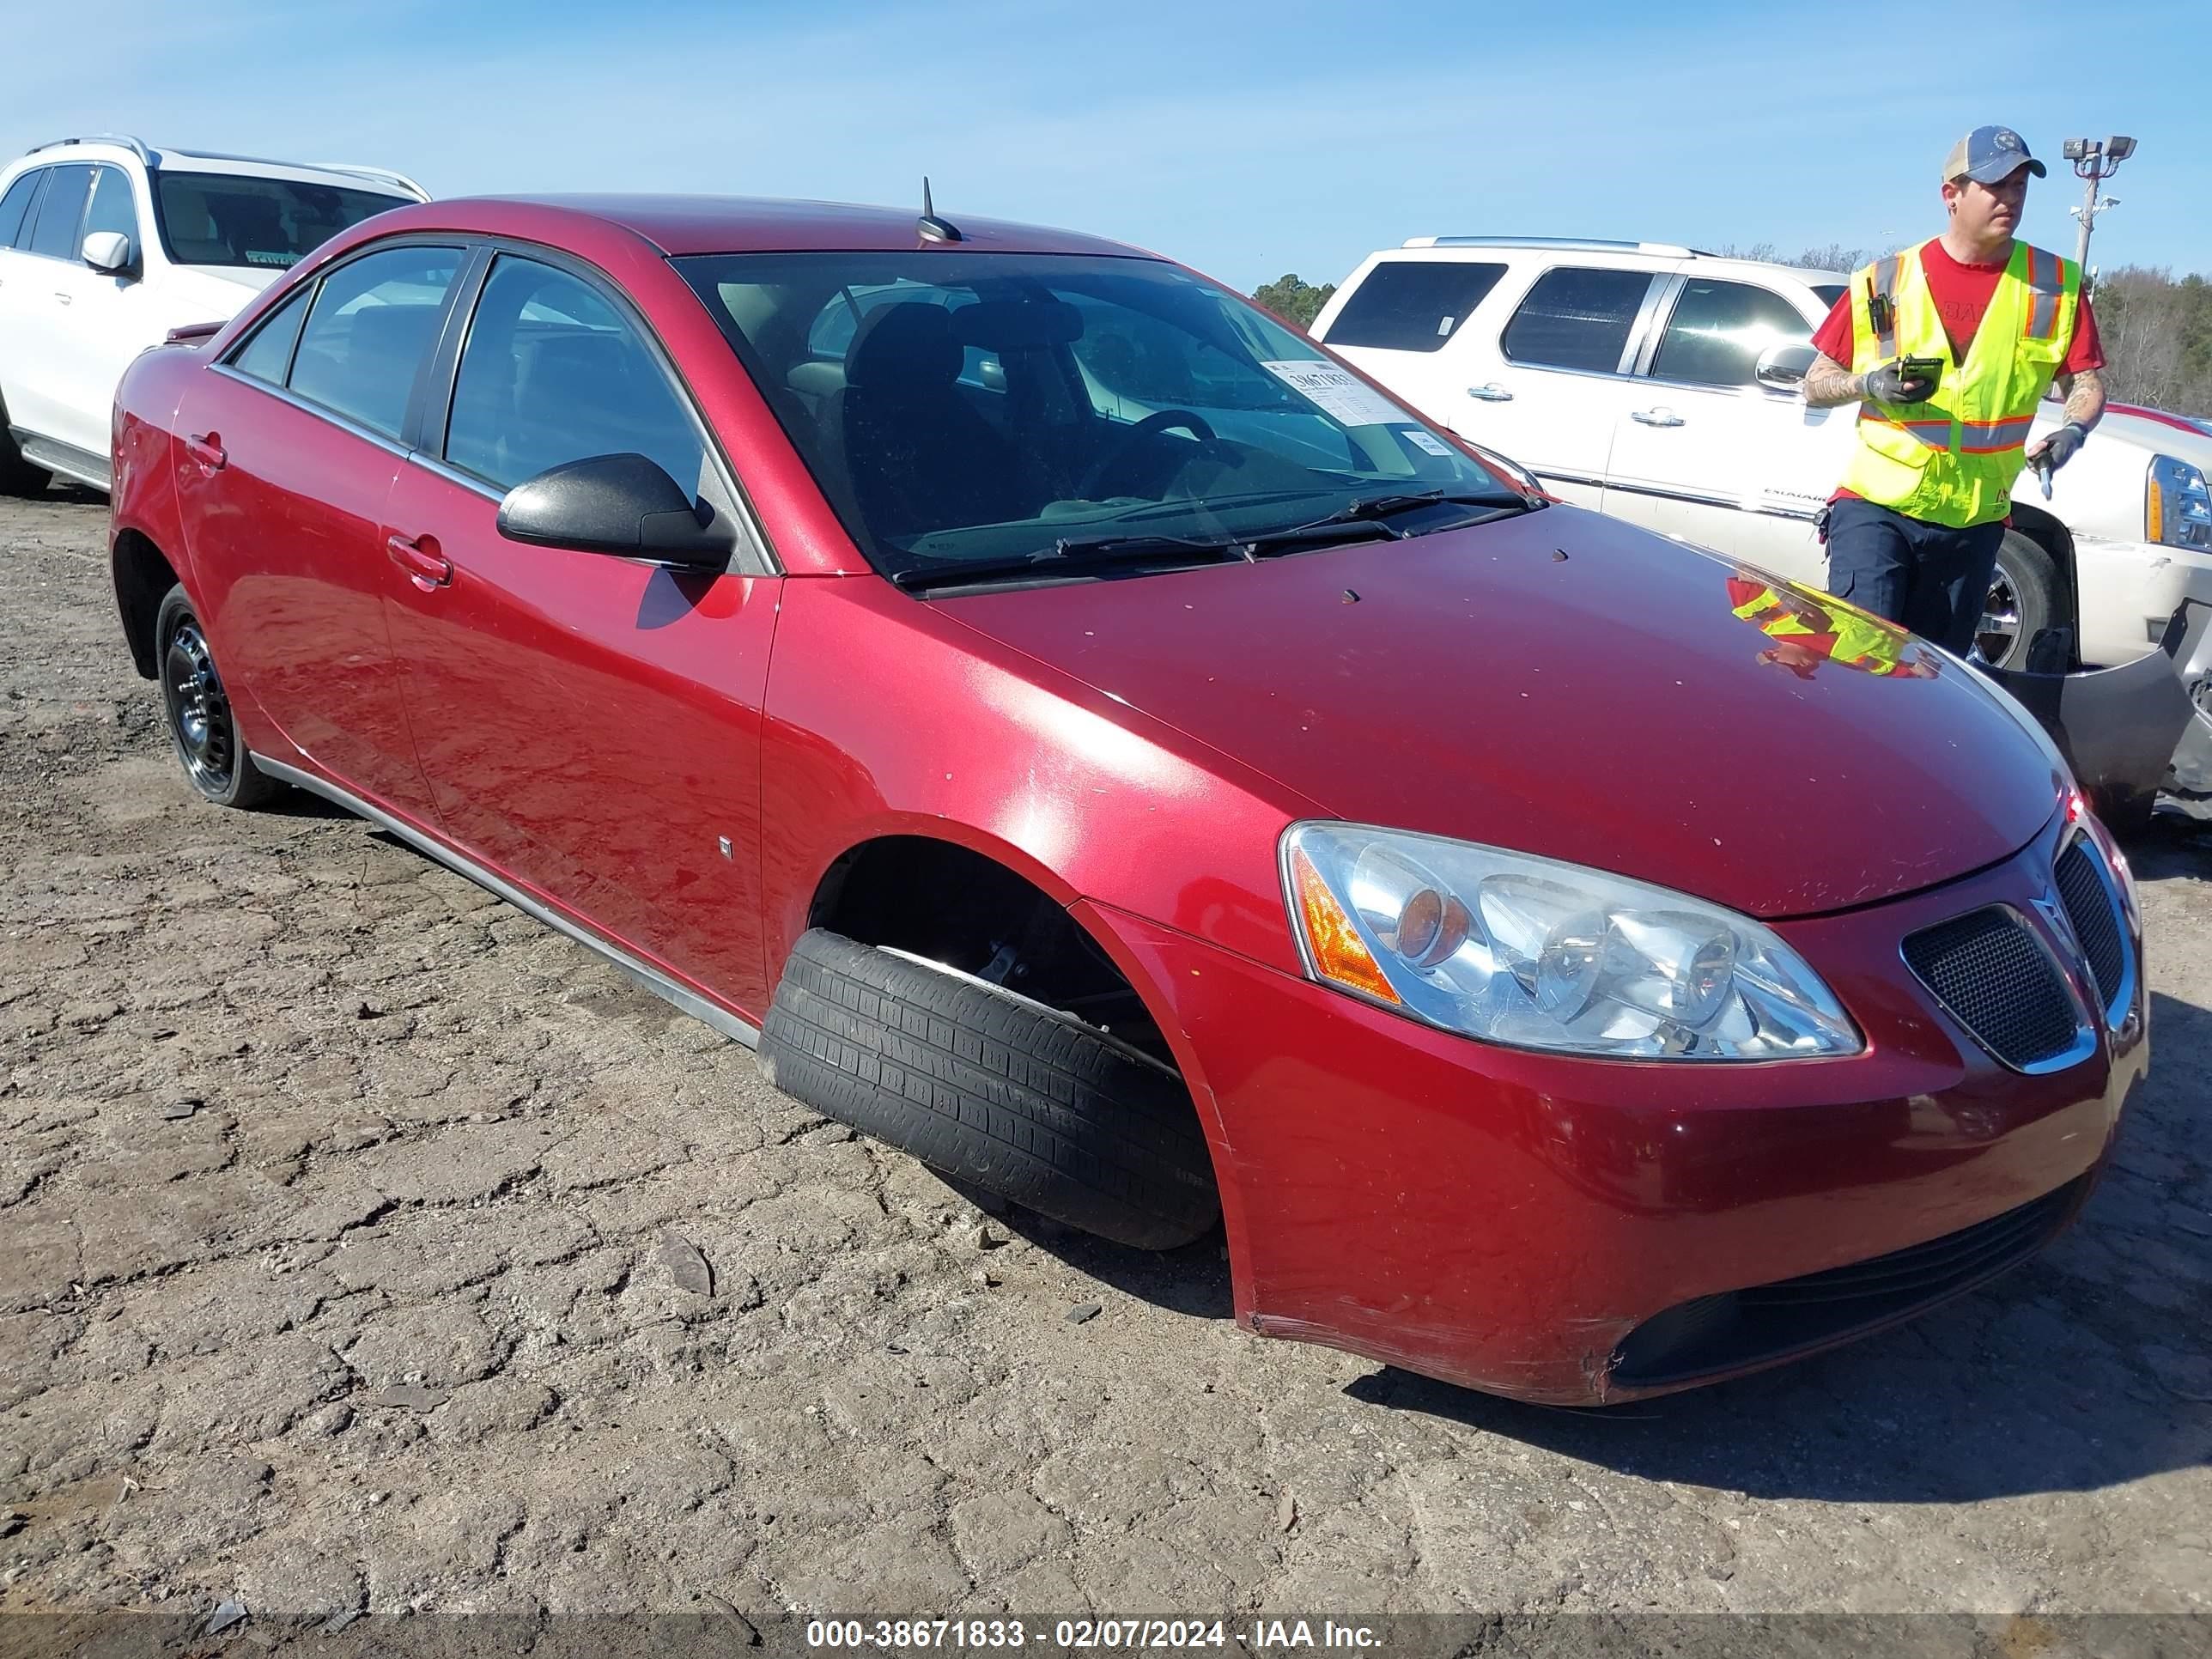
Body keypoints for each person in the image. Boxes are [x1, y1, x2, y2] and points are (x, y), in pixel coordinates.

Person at [1802, 125, 2106, 656]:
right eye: (1995, 186)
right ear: (1952, 195)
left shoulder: (2055, 285)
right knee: (1860, 659)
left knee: (1932, 683)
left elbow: (2086, 383)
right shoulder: (1885, 281)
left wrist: (2073, 434)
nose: (2010, 198)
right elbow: (1815, 385)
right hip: (1878, 508)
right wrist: (1867, 383)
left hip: (1975, 520)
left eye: (2019, 187)